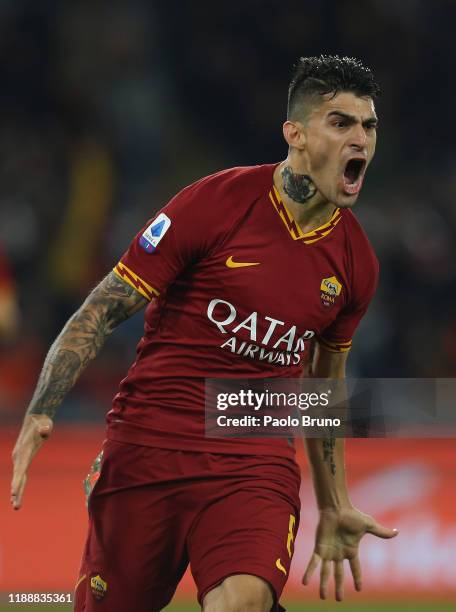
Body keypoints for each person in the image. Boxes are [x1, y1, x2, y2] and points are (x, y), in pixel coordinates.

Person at [11, 55, 398, 612]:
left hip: (252, 459)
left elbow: (323, 389)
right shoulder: (215, 204)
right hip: (151, 443)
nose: (359, 138)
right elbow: (101, 308)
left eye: (369, 126)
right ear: (295, 133)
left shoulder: (356, 261)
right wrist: (43, 407)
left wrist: (335, 502)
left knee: (241, 602)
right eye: (341, 123)